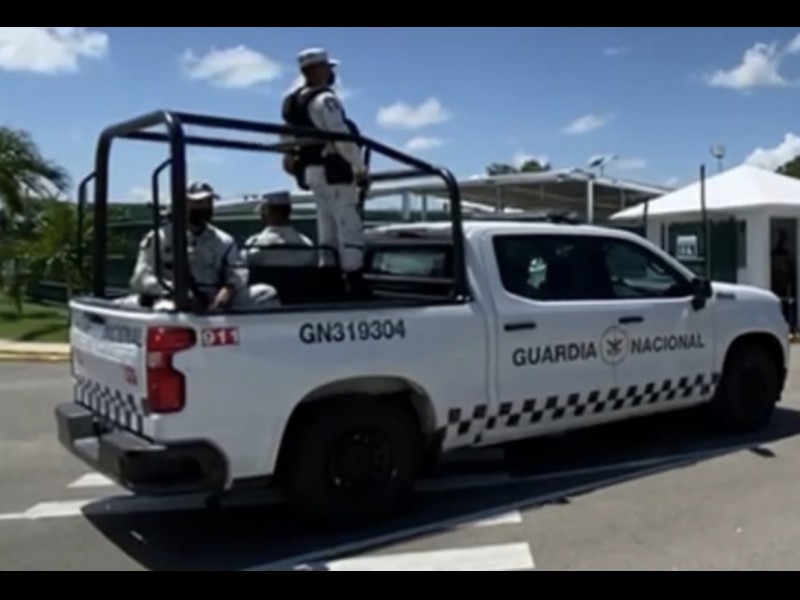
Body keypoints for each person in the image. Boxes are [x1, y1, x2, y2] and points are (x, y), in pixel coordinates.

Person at [280, 47, 369, 295]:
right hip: (333, 170)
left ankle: (329, 277)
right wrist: (360, 167)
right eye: (328, 68)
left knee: (326, 226)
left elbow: (286, 137)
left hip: (311, 172)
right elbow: (341, 137)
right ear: (318, 69)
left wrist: (289, 156)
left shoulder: (293, 102)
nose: (331, 73)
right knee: (348, 225)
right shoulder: (326, 100)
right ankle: (354, 280)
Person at [127, 181, 279, 311]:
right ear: (182, 205)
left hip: (216, 302)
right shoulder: (158, 238)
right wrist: (177, 292)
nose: (205, 208)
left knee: (265, 293)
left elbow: (238, 272)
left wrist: (227, 291)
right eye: (198, 203)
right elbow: (140, 278)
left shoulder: (224, 240)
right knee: (165, 309)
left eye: (209, 203)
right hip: (172, 299)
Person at [243, 191, 316, 267]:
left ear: (266, 212)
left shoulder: (253, 245)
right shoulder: (307, 245)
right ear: (289, 211)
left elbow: (246, 263)